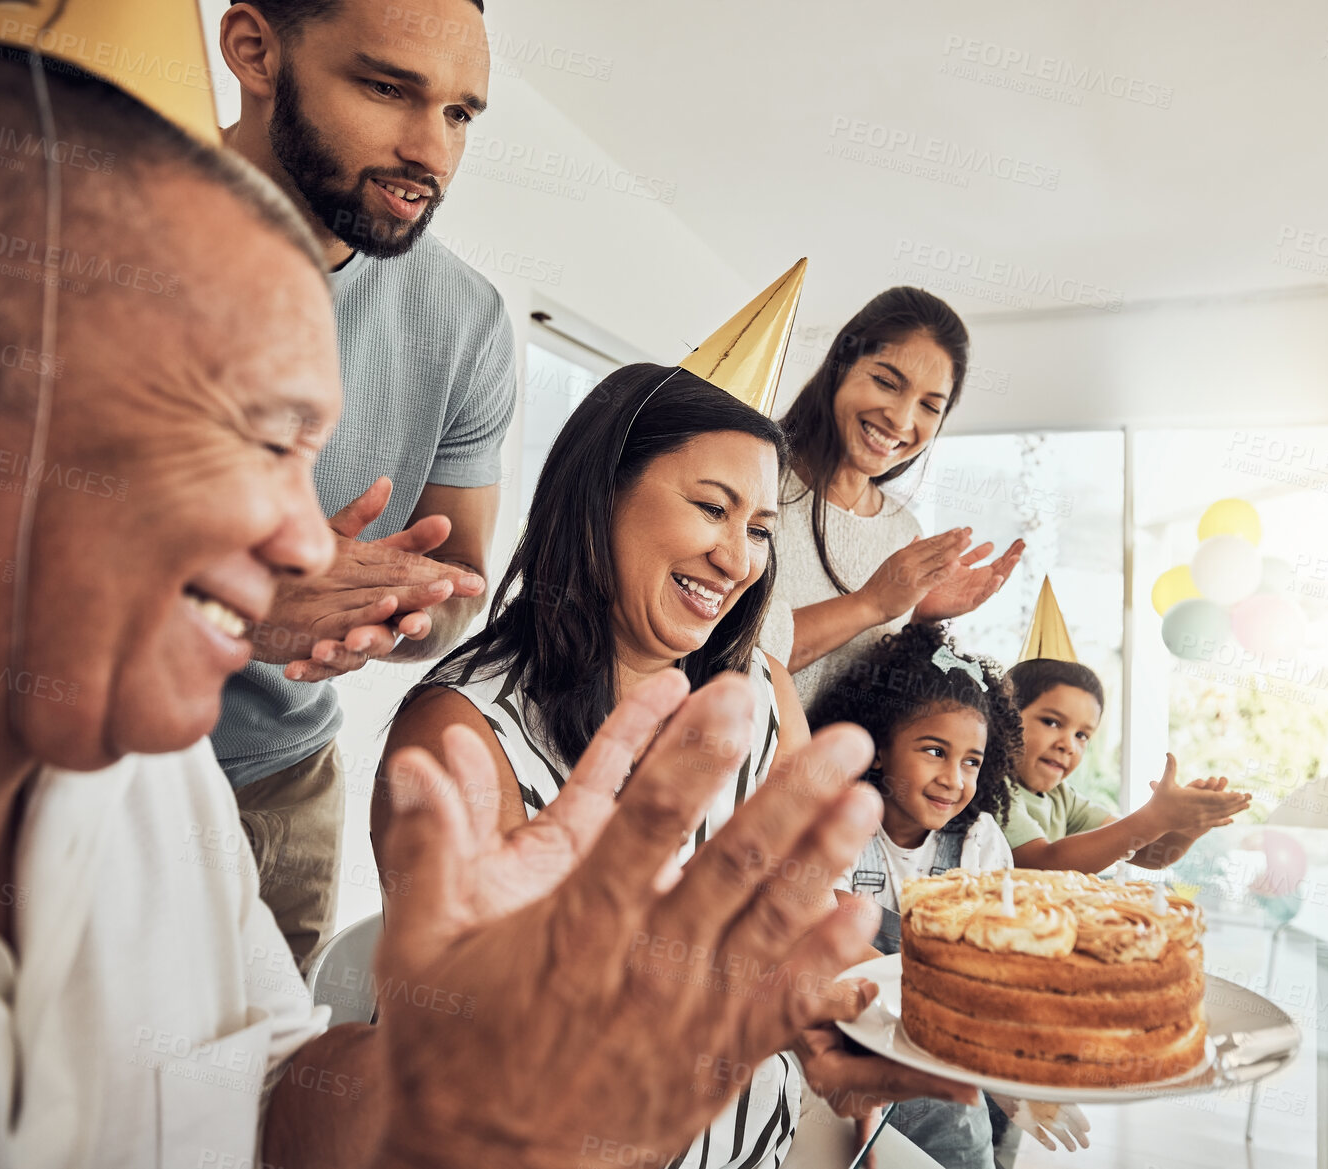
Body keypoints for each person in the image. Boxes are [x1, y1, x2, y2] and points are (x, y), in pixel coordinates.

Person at [0, 30, 891, 1169]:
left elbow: (264, 1091)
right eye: (244, 435)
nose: (305, 537)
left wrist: (481, 1094)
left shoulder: (163, 797)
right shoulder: (463, 738)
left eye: (760, 526)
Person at [380, 357, 979, 1165]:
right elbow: (484, 1043)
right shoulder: (464, 731)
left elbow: (804, 910)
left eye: (760, 527)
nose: (739, 559)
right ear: (601, 494)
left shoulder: (757, 690)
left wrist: (952, 1023)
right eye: (711, 508)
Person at [210, 0, 517, 965]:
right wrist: (229, 604)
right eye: (388, 88)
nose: (431, 151)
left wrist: (382, 609)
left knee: (242, 1097)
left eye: (460, 114)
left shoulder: (466, 322)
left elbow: (456, 578)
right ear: (255, 50)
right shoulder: (77, 213)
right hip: (34, 743)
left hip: (276, 783)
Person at [812, 623, 1088, 1168]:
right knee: (953, 1112)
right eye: (934, 751)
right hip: (864, 1023)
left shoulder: (979, 839)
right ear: (878, 748)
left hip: (956, 1023)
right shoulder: (842, 827)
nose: (954, 778)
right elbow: (837, 944)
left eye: (970, 761)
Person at [760, 287, 1024, 710]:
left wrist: (917, 618)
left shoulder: (903, 530)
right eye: (886, 382)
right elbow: (727, 654)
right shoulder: (756, 483)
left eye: (929, 406)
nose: (902, 419)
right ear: (840, 367)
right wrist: (871, 604)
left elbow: (872, 695)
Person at [1004, 581, 1251, 872]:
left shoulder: (1062, 798)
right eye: (1052, 722)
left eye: (1082, 734)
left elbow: (1147, 853)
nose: (1067, 744)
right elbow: (1044, 862)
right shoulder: (992, 790)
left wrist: (1184, 827)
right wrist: (1154, 818)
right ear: (1004, 718)